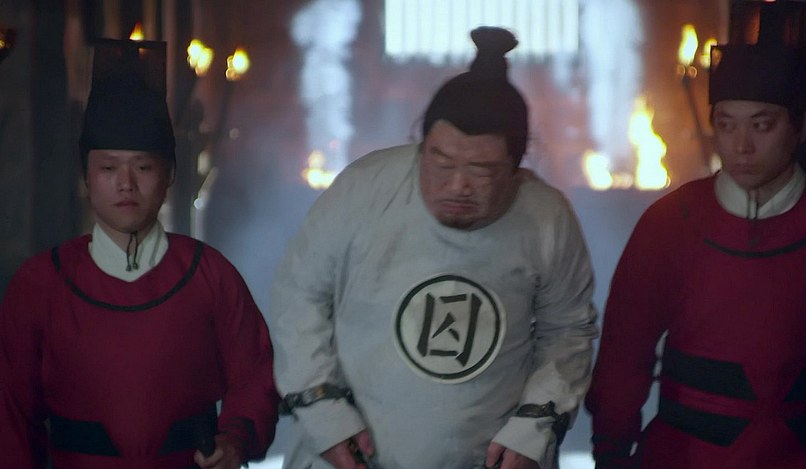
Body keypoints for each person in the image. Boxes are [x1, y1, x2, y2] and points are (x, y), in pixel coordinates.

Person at [270, 27, 598, 469]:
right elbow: (299, 295)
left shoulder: (546, 217)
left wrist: (534, 427)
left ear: (516, 166)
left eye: (481, 170)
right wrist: (322, 411)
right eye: (441, 162)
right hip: (350, 452)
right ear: (421, 145)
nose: (457, 185)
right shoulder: (365, 189)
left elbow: (568, 331)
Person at [0, 38, 279, 469]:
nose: (126, 183)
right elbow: (10, 411)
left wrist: (235, 440)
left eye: (143, 167)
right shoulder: (41, 283)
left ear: (169, 175)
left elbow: (256, 377)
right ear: (87, 177)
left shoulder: (209, 275)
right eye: (109, 168)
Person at [585, 2, 806, 468]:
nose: (742, 146)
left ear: (801, 126)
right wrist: (612, 452)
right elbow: (623, 357)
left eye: (762, 125)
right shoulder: (671, 223)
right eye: (726, 124)